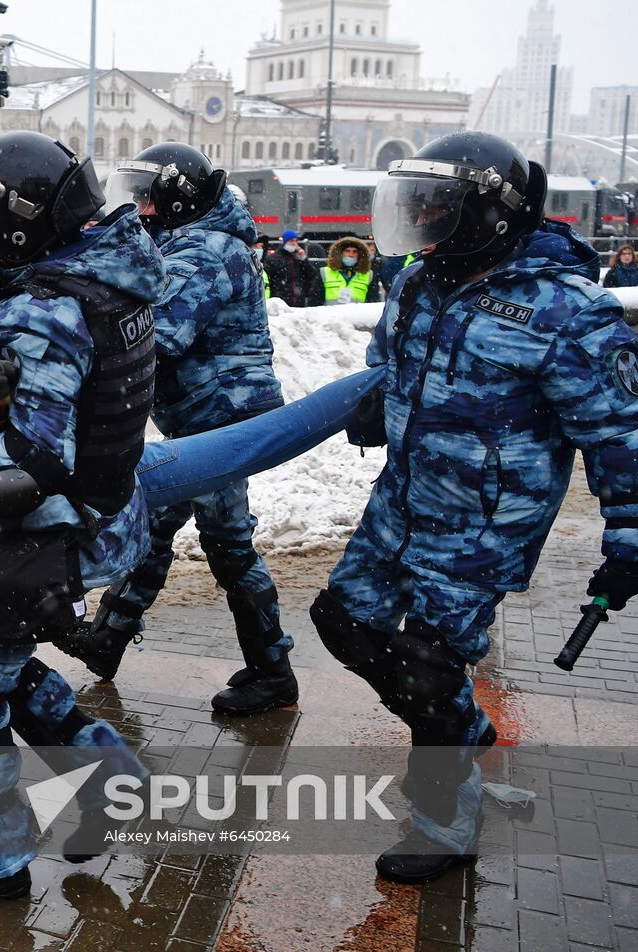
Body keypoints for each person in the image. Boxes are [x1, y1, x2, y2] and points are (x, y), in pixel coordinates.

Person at [315, 132, 638, 883]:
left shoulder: (566, 312)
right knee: (341, 620)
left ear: (488, 213)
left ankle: (447, 822)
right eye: (417, 201)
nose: (423, 216)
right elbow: (385, 364)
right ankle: (458, 729)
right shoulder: (418, 282)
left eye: (439, 203)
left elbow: (619, 434)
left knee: (427, 665)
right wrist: (377, 406)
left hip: (485, 523)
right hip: (402, 500)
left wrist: (627, 537)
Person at [0, 131, 166, 897]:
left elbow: (33, 458)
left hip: (54, 526)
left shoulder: (45, 310)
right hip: (107, 511)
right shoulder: (107, 274)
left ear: (18, 221)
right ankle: (109, 778)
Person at [53, 143, 296, 714]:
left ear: (177, 198)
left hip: (222, 421)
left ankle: (273, 671)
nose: (137, 207)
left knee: (228, 544)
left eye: (145, 195)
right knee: (155, 526)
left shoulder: (205, 250)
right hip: (200, 418)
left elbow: (159, 333)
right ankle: (109, 640)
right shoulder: (187, 241)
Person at [264, 230, 324, 306]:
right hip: (281, 301)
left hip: (298, 300)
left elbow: (312, 275)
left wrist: (304, 260)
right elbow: (270, 280)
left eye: (296, 241)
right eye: (291, 240)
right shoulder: (273, 259)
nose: (294, 243)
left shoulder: (298, 258)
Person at [321, 236, 380, 304]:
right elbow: (315, 301)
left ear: (359, 255)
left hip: (358, 314)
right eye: (347, 251)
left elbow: (373, 301)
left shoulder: (368, 275)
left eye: (355, 252)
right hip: (331, 314)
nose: (351, 255)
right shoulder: (324, 273)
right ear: (340, 253)